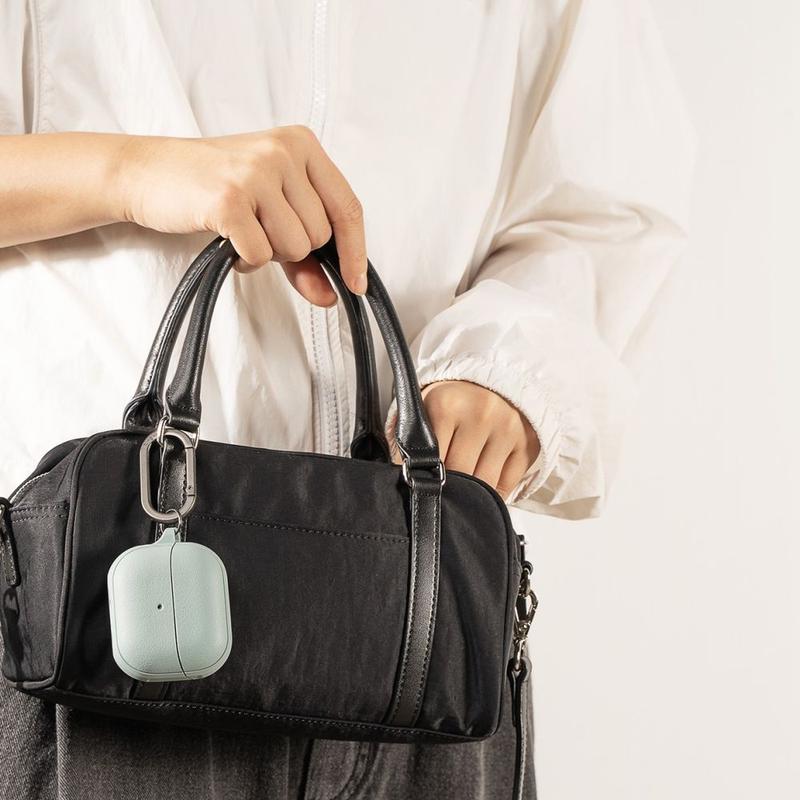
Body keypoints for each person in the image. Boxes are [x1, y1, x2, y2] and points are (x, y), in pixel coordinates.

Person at [0, 1, 694, 798]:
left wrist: (511, 365)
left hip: (413, 635)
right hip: (98, 640)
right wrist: (128, 171)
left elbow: (609, 200)